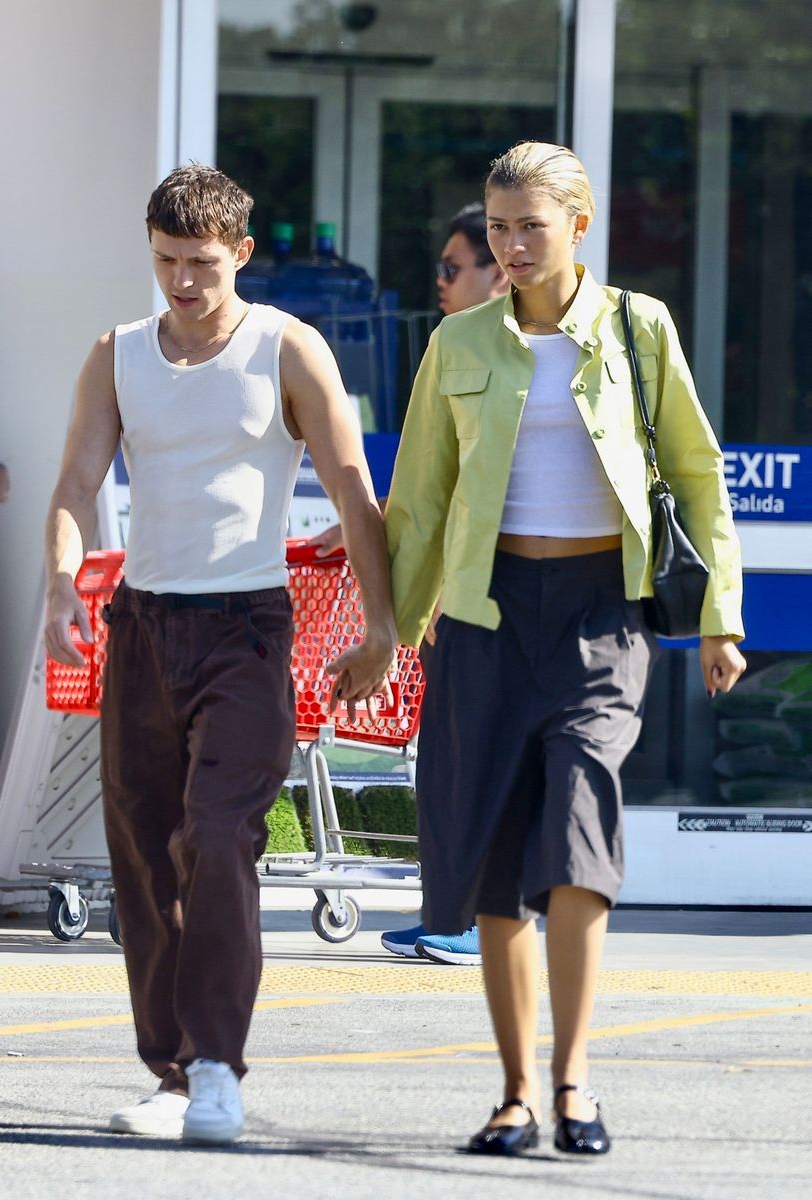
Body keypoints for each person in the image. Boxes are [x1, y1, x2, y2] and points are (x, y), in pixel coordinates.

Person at [384, 141, 746, 1158]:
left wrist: (720, 615)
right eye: (496, 227)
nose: (508, 245)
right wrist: (390, 631)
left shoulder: (636, 327)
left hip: (600, 613)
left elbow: (696, 470)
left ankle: (575, 1083)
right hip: (485, 617)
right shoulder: (459, 343)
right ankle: (513, 1094)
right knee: (494, 861)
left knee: (580, 835)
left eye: (528, 227)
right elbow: (418, 503)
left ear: (578, 227)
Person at [44, 165, 396, 1145]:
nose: (182, 283)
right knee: (144, 851)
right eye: (165, 262)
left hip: (247, 628)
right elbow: (75, 482)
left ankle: (215, 1069)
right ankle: (168, 1072)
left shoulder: (288, 348)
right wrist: (60, 587)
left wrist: (382, 627)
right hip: (142, 627)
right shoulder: (115, 354)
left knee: (218, 837)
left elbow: (353, 485)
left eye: (201, 263)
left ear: (240, 253)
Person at [307, 202, 508, 967]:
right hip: (462, 596)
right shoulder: (459, 351)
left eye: (455, 267)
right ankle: (455, 918)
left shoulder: (541, 354)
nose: (442, 282)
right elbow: (436, 487)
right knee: (453, 760)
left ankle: (475, 922)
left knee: (477, 762)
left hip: (509, 594)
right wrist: (376, 524)